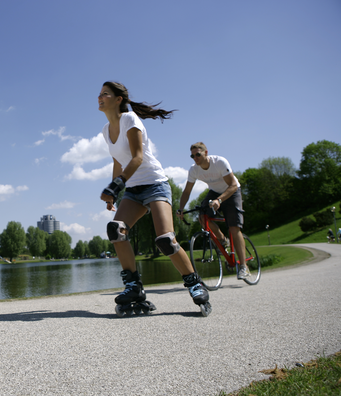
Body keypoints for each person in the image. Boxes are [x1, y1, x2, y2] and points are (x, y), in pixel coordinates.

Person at [98, 81, 209, 312]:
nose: (100, 98)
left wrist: (116, 185)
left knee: (165, 240)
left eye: (105, 94)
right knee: (115, 230)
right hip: (133, 190)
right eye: (99, 94)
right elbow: (118, 161)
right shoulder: (105, 131)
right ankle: (133, 286)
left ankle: (194, 282)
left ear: (118, 99)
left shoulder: (130, 119)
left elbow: (137, 158)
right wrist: (113, 194)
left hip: (155, 185)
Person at [177, 142, 250, 279]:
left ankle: (243, 266)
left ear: (206, 153)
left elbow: (233, 185)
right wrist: (180, 209)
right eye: (192, 156)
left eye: (198, 154)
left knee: (234, 228)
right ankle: (223, 240)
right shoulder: (194, 170)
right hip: (214, 192)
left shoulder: (220, 162)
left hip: (232, 191)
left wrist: (220, 200)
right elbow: (187, 192)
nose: (195, 158)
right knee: (202, 217)